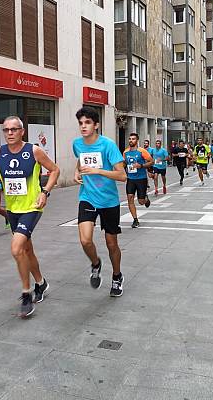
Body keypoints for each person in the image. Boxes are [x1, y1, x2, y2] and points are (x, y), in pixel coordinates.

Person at [0, 116, 59, 318]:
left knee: (16, 247)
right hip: (13, 209)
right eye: (6, 130)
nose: (9, 133)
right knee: (27, 250)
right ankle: (41, 283)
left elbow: (55, 170)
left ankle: (26, 293)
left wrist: (44, 192)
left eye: (13, 129)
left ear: (22, 131)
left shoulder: (33, 151)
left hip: (32, 207)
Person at [73, 108, 127, 297]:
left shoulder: (108, 145)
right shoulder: (77, 144)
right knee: (85, 240)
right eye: (80, 123)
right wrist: (77, 171)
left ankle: (117, 276)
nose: (83, 126)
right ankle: (96, 263)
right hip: (87, 197)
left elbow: (122, 175)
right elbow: (80, 161)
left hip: (109, 201)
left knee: (111, 244)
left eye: (87, 122)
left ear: (96, 125)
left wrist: (99, 171)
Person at [123, 133, 153, 228]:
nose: (131, 140)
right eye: (130, 139)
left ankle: (145, 199)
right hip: (131, 179)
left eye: (133, 139)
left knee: (141, 201)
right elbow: (124, 163)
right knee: (130, 198)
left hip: (141, 179)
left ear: (137, 140)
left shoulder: (142, 151)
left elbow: (152, 161)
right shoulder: (125, 152)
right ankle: (135, 220)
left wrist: (141, 166)